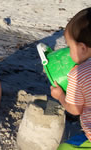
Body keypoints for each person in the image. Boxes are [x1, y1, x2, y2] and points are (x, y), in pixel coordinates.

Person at [50, 8, 91, 149]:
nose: (67, 50)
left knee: (64, 148)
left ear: (82, 48)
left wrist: (61, 96)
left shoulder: (78, 75)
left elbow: (74, 110)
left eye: (69, 46)